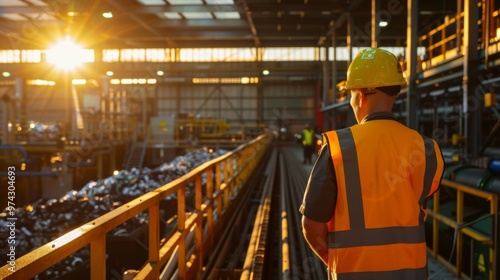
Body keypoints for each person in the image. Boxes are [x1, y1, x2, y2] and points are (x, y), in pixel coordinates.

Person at [299, 48, 444, 279]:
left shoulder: (338, 146)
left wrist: (335, 260)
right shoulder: (426, 148)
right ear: (394, 93)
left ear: (360, 95)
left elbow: (311, 225)